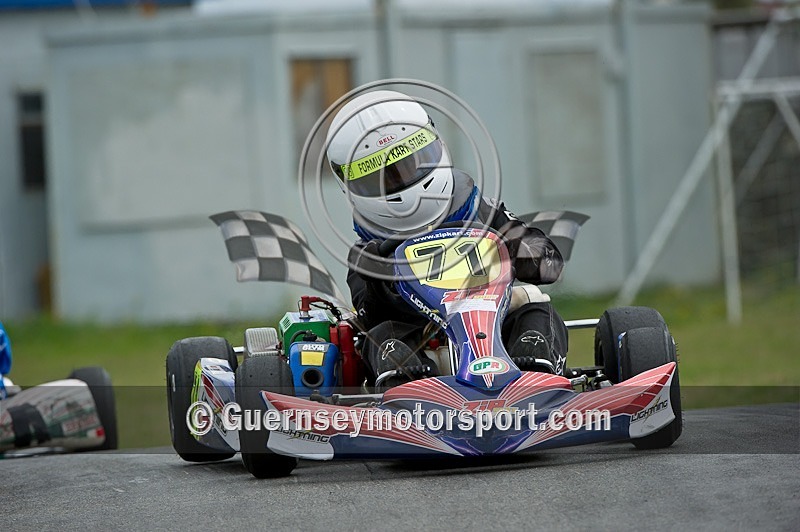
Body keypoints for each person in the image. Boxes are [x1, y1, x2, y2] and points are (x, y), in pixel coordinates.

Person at [325, 90, 568, 389]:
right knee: (381, 334)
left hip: (493, 322)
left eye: (411, 163)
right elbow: (368, 312)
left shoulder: (479, 209)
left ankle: (536, 368)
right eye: (380, 176)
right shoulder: (368, 249)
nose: (400, 180)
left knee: (534, 305)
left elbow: (550, 264)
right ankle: (406, 386)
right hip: (420, 342)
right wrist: (379, 277)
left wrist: (521, 250)